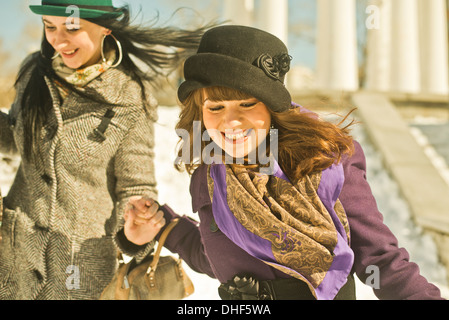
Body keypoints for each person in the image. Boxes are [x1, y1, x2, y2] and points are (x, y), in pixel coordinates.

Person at [119, 25, 444, 300]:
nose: (231, 122)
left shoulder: (324, 161)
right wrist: (164, 228)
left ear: (272, 107)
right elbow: (215, 255)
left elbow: (380, 259)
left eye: (247, 104)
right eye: (215, 108)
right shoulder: (209, 174)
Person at [0, 0, 212, 300]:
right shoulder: (35, 73)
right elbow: (17, 137)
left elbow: (135, 186)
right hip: (13, 258)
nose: (58, 40)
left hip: (79, 267)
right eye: (50, 27)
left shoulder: (129, 97)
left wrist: (136, 229)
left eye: (72, 27)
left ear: (105, 27)